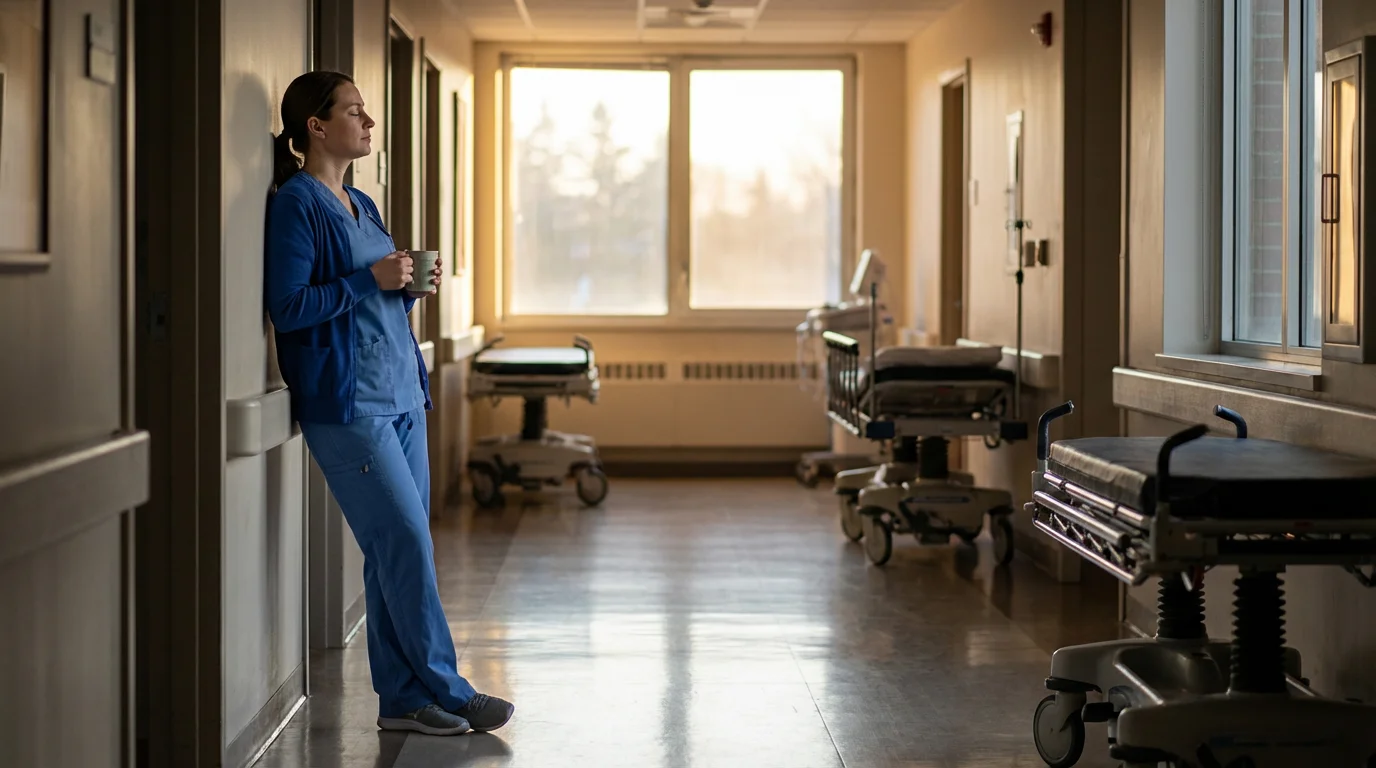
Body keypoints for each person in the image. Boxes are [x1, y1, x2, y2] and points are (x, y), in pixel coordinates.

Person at [264, 70, 513, 737]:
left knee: (396, 551)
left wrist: (401, 287)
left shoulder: (362, 205)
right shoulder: (298, 204)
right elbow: (289, 308)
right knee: (401, 539)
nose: (368, 122)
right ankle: (449, 690)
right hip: (349, 408)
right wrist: (368, 278)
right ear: (316, 127)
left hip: (400, 395)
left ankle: (402, 701)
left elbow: (367, 296)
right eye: (355, 111)